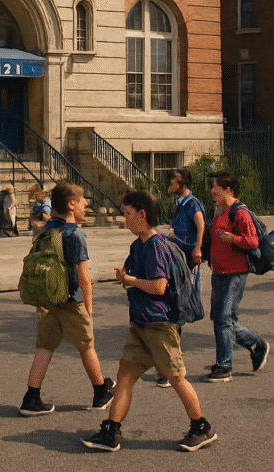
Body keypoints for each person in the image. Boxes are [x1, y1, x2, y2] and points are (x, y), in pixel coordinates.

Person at [82, 189, 217, 453]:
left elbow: (158, 287)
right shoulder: (139, 245)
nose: (124, 219)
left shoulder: (156, 246)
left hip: (159, 324)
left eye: (128, 213)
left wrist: (129, 281)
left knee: (176, 377)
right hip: (141, 325)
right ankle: (112, 430)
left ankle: (201, 426)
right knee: (125, 377)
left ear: (142, 215)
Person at [19, 182, 114, 417]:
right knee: (87, 346)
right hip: (72, 300)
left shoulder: (46, 230)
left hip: (49, 299)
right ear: (72, 205)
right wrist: (89, 308)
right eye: (83, 203)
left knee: (44, 346)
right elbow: (84, 278)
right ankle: (100, 391)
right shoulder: (75, 234)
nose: (86, 207)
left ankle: (31, 397)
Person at [206, 171, 269, 382]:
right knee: (220, 319)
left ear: (228, 190)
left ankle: (224, 366)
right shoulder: (220, 212)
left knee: (224, 319)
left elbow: (252, 241)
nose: (212, 191)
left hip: (235, 274)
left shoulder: (240, 213)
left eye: (216, 187)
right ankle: (257, 345)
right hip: (219, 273)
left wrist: (233, 238)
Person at [151, 167, 206, 390]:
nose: (168, 185)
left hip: (188, 259)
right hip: (178, 255)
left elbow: (201, 225)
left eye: (172, 181)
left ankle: (173, 366)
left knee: (180, 306)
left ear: (182, 182)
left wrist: (198, 248)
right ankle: (171, 364)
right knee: (174, 309)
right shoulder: (179, 203)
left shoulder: (193, 203)